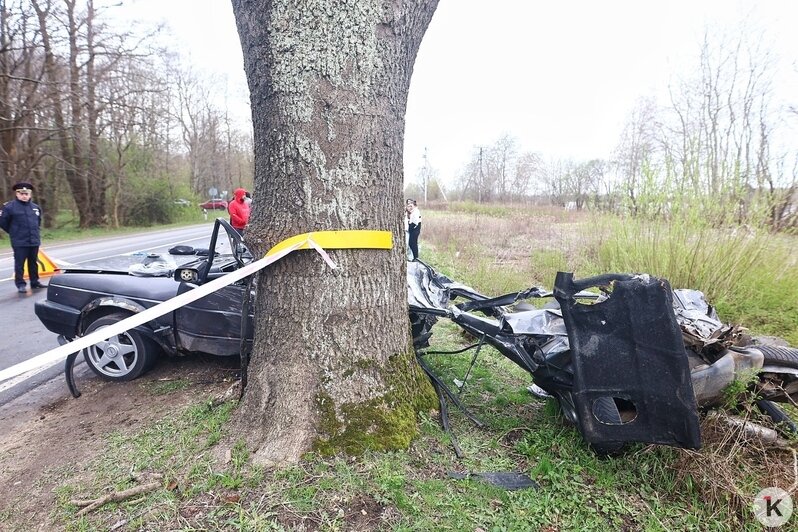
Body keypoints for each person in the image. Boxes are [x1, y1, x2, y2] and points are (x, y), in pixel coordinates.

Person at [0, 182, 45, 293]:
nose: (24, 196)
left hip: (34, 240)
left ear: (30, 194)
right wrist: (14, 232)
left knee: (33, 263)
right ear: (17, 194)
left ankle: (35, 282)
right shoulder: (9, 207)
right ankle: (20, 284)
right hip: (19, 241)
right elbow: (3, 222)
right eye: (21, 193)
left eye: (27, 193)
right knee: (19, 264)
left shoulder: (35, 207)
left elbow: (38, 222)